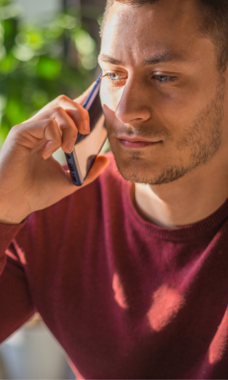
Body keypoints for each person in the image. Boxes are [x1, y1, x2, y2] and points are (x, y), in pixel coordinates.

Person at [1, 0, 228, 378]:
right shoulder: (55, 216)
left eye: (163, 76)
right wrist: (3, 208)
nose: (124, 109)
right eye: (113, 74)